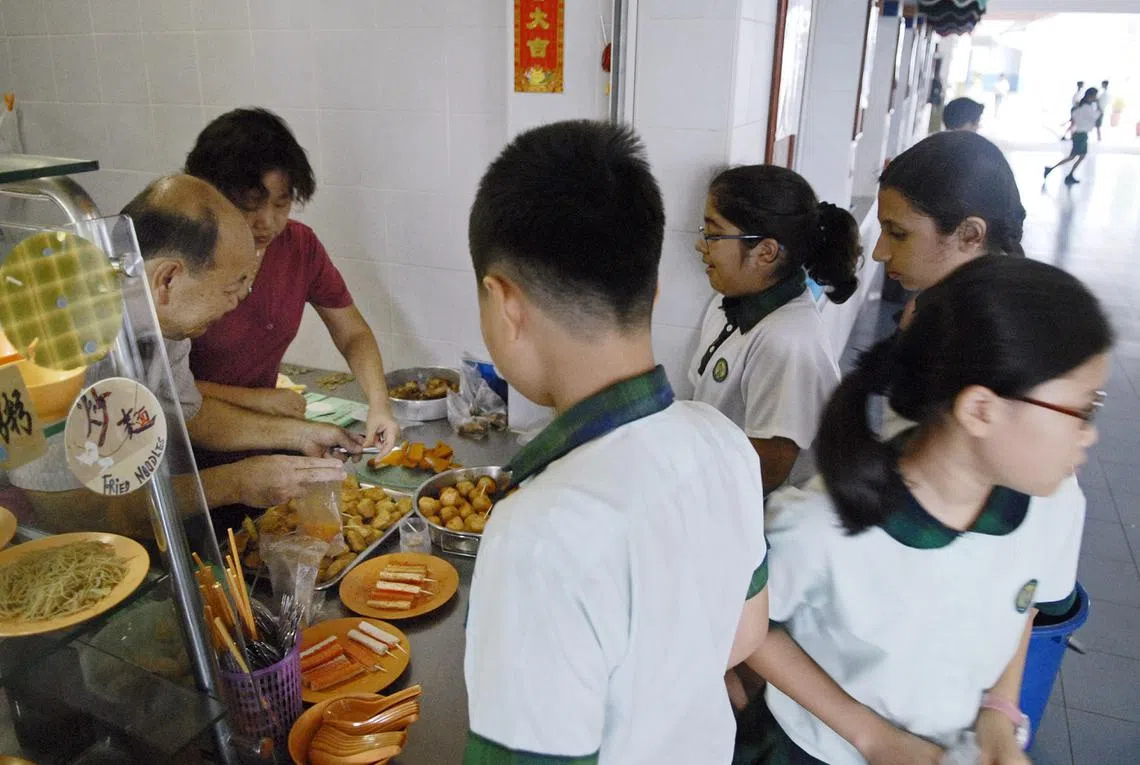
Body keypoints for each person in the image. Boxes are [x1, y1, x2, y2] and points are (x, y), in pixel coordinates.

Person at [462, 120, 770, 764]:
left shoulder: (539, 533)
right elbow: (744, 635)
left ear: (504, 303)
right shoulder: (724, 443)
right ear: (651, 291)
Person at [735, 255, 1112, 765]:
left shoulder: (1054, 503)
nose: (1090, 435)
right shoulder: (822, 524)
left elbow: (1020, 605)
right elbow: (745, 629)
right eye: (1082, 410)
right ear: (981, 410)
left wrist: (998, 713)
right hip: (811, 751)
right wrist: (871, 735)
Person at [9, 176, 354, 520]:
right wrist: (236, 482)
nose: (241, 299)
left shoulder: (167, 323)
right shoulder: (41, 348)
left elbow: (191, 414)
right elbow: (73, 516)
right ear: (168, 279)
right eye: (234, 286)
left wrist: (302, 435)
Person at [184, 108, 399, 454]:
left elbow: (352, 333)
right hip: (189, 439)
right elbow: (159, 388)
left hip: (263, 432)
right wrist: (257, 400)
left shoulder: (298, 246)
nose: (267, 222)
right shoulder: (185, 260)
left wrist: (379, 405)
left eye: (281, 205)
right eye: (250, 207)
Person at [690, 165, 860, 491]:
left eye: (713, 234)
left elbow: (764, 474)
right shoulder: (729, 305)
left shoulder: (788, 342)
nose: (701, 245)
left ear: (765, 251)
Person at [1045, 87, 1099, 186]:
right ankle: (1052, 170)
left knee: (1080, 156)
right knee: (1073, 156)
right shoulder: (1087, 108)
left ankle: (1069, 174)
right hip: (1081, 135)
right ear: (1091, 96)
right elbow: (1095, 116)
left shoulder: (1080, 107)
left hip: (1080, 134)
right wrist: (1099, 108)